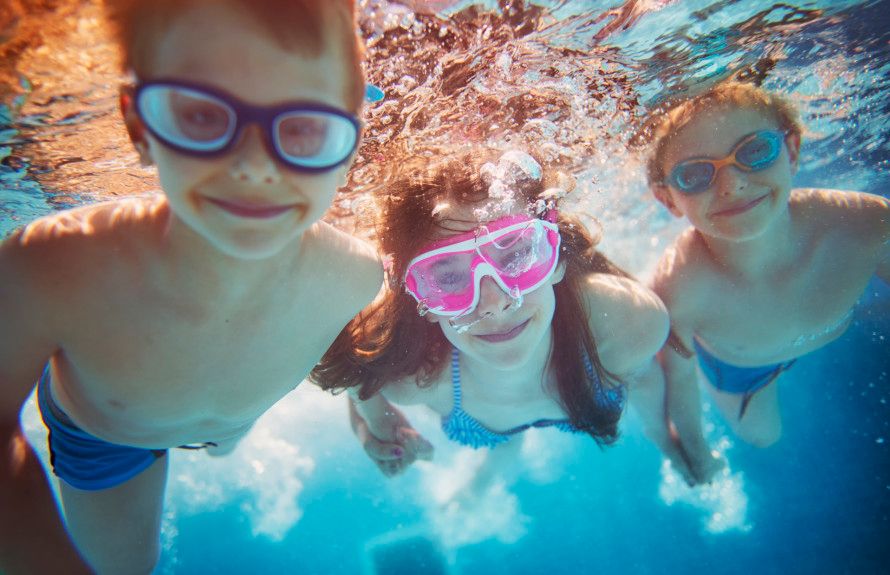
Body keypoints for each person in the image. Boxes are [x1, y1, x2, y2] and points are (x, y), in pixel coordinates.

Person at [0, 1, 382, 572]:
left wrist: (372, 414)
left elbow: (353, 354)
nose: (255, 166)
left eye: (304, 128)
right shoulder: (50, 268)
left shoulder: (358, 275)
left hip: (226, 428)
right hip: (108, 438)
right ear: (138, 126)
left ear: (351, 145)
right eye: (203, 116)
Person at [312, 149, 695, 487]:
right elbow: (362, 362)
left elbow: (645, 376)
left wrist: (664, 436)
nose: (494, 303)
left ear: (557, 257)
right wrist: (372, 423)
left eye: (515, 254)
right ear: (421, 301)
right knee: (504, 448)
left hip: (552, 385)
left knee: (512, 442)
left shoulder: (628, 323)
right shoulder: (413, 381)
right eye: (448, 276)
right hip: (482, 414)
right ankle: (478, 489)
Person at [643, 82, 889, 480]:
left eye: (754, 152)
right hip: (743, 370)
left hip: (828, 326)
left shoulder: (866, 225)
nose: (732, 184)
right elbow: (679, 383)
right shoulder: (678, 289)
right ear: (668, 199)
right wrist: (697, 453)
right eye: (694, 175)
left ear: (791, 151)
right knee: (763, 436)